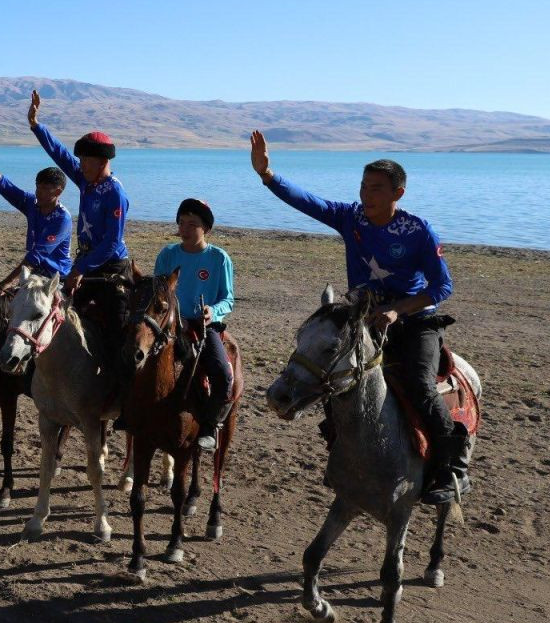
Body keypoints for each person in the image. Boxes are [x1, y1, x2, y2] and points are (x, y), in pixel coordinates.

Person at [250, 130, 466, 505]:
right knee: (331, 376)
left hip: (414, 323)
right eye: (364, 186)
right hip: (363, 321)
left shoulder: (417, 230)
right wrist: (268, 175)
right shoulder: (352, 219)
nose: (366, 194)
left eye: (377, 188)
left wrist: (399, 309)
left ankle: (453, 469)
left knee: (420, 385)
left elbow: (442, 287)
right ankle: (346, 453)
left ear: (398, 193)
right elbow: (308, 202)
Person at [27, 89, 131, 360]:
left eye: (87, 160)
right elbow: (60, 155)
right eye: (81, 159)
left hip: (111, 269)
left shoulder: (115, 193)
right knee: (61, 317)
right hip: (84, 264)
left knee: (119, 333)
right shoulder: (87, 180)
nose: (80, 165)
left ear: (103, 162)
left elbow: (112, 243)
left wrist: (80, 269)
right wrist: (37, 126)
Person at [153, 198, 234, 453]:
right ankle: (129, 412)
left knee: (223, 374)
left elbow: (227, 298)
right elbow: (158, 290)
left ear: (206, 229)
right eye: (181, 223)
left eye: (192, 224)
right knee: (134, 356)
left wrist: (214, 311)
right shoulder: (167, 254)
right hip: (170, 325)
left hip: (203, 327)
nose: (185, 229)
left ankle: (210, 426)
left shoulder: (219, 258)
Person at [0, 134, 72, 279]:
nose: (38, 192)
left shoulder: (62, 219)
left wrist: (7, 282)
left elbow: (36, 255)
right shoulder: (33, 204)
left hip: (56, 278)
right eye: (37, 187)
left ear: (58, 191)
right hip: (33, 274)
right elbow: (5, 186)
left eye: (44, 188)